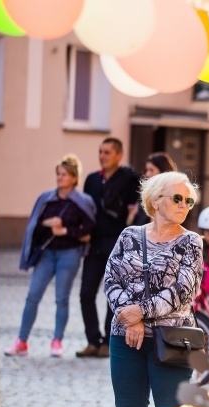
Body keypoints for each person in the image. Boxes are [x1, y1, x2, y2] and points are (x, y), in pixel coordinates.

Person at [103, 171, 202, 407]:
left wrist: (140, 312)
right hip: (125, 338)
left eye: (189, 201)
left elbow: (184, 290)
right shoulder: (129, 236)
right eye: (178, 198)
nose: (184, 205)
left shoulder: (191, 242)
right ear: (156, 201)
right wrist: (130, 319)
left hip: (172, 340)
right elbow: (111, 280)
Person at [5, 155, 96, 357]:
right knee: (32, 296)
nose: (60, 177)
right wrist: (47, 223)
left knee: (61, 299)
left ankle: (57, 341)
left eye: (64, 174)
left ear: (74, 178)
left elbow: (89, 229)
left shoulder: (83, 202)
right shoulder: (46, 199)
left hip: (69, 255)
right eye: (58, 174)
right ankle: (21, 341)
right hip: (47, 254)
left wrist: (65, 231)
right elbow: (34, 225)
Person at [77, 138, 141, 358]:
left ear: (118, 155)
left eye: (107, 152)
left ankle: (107, 341)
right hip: (95, 244)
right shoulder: (92, 180)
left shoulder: (129, 180)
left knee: (112, 295)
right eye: (100, 151)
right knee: (86, 293)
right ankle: (92, 340)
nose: (102, 156)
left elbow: (134, 213)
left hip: (117, 244)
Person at [130, 152, 178, 226]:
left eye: (151, 170)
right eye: (147, 170)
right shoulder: (145, 194)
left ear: (163, 171)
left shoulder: (171, 194)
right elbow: (131, 219)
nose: (147, 174)